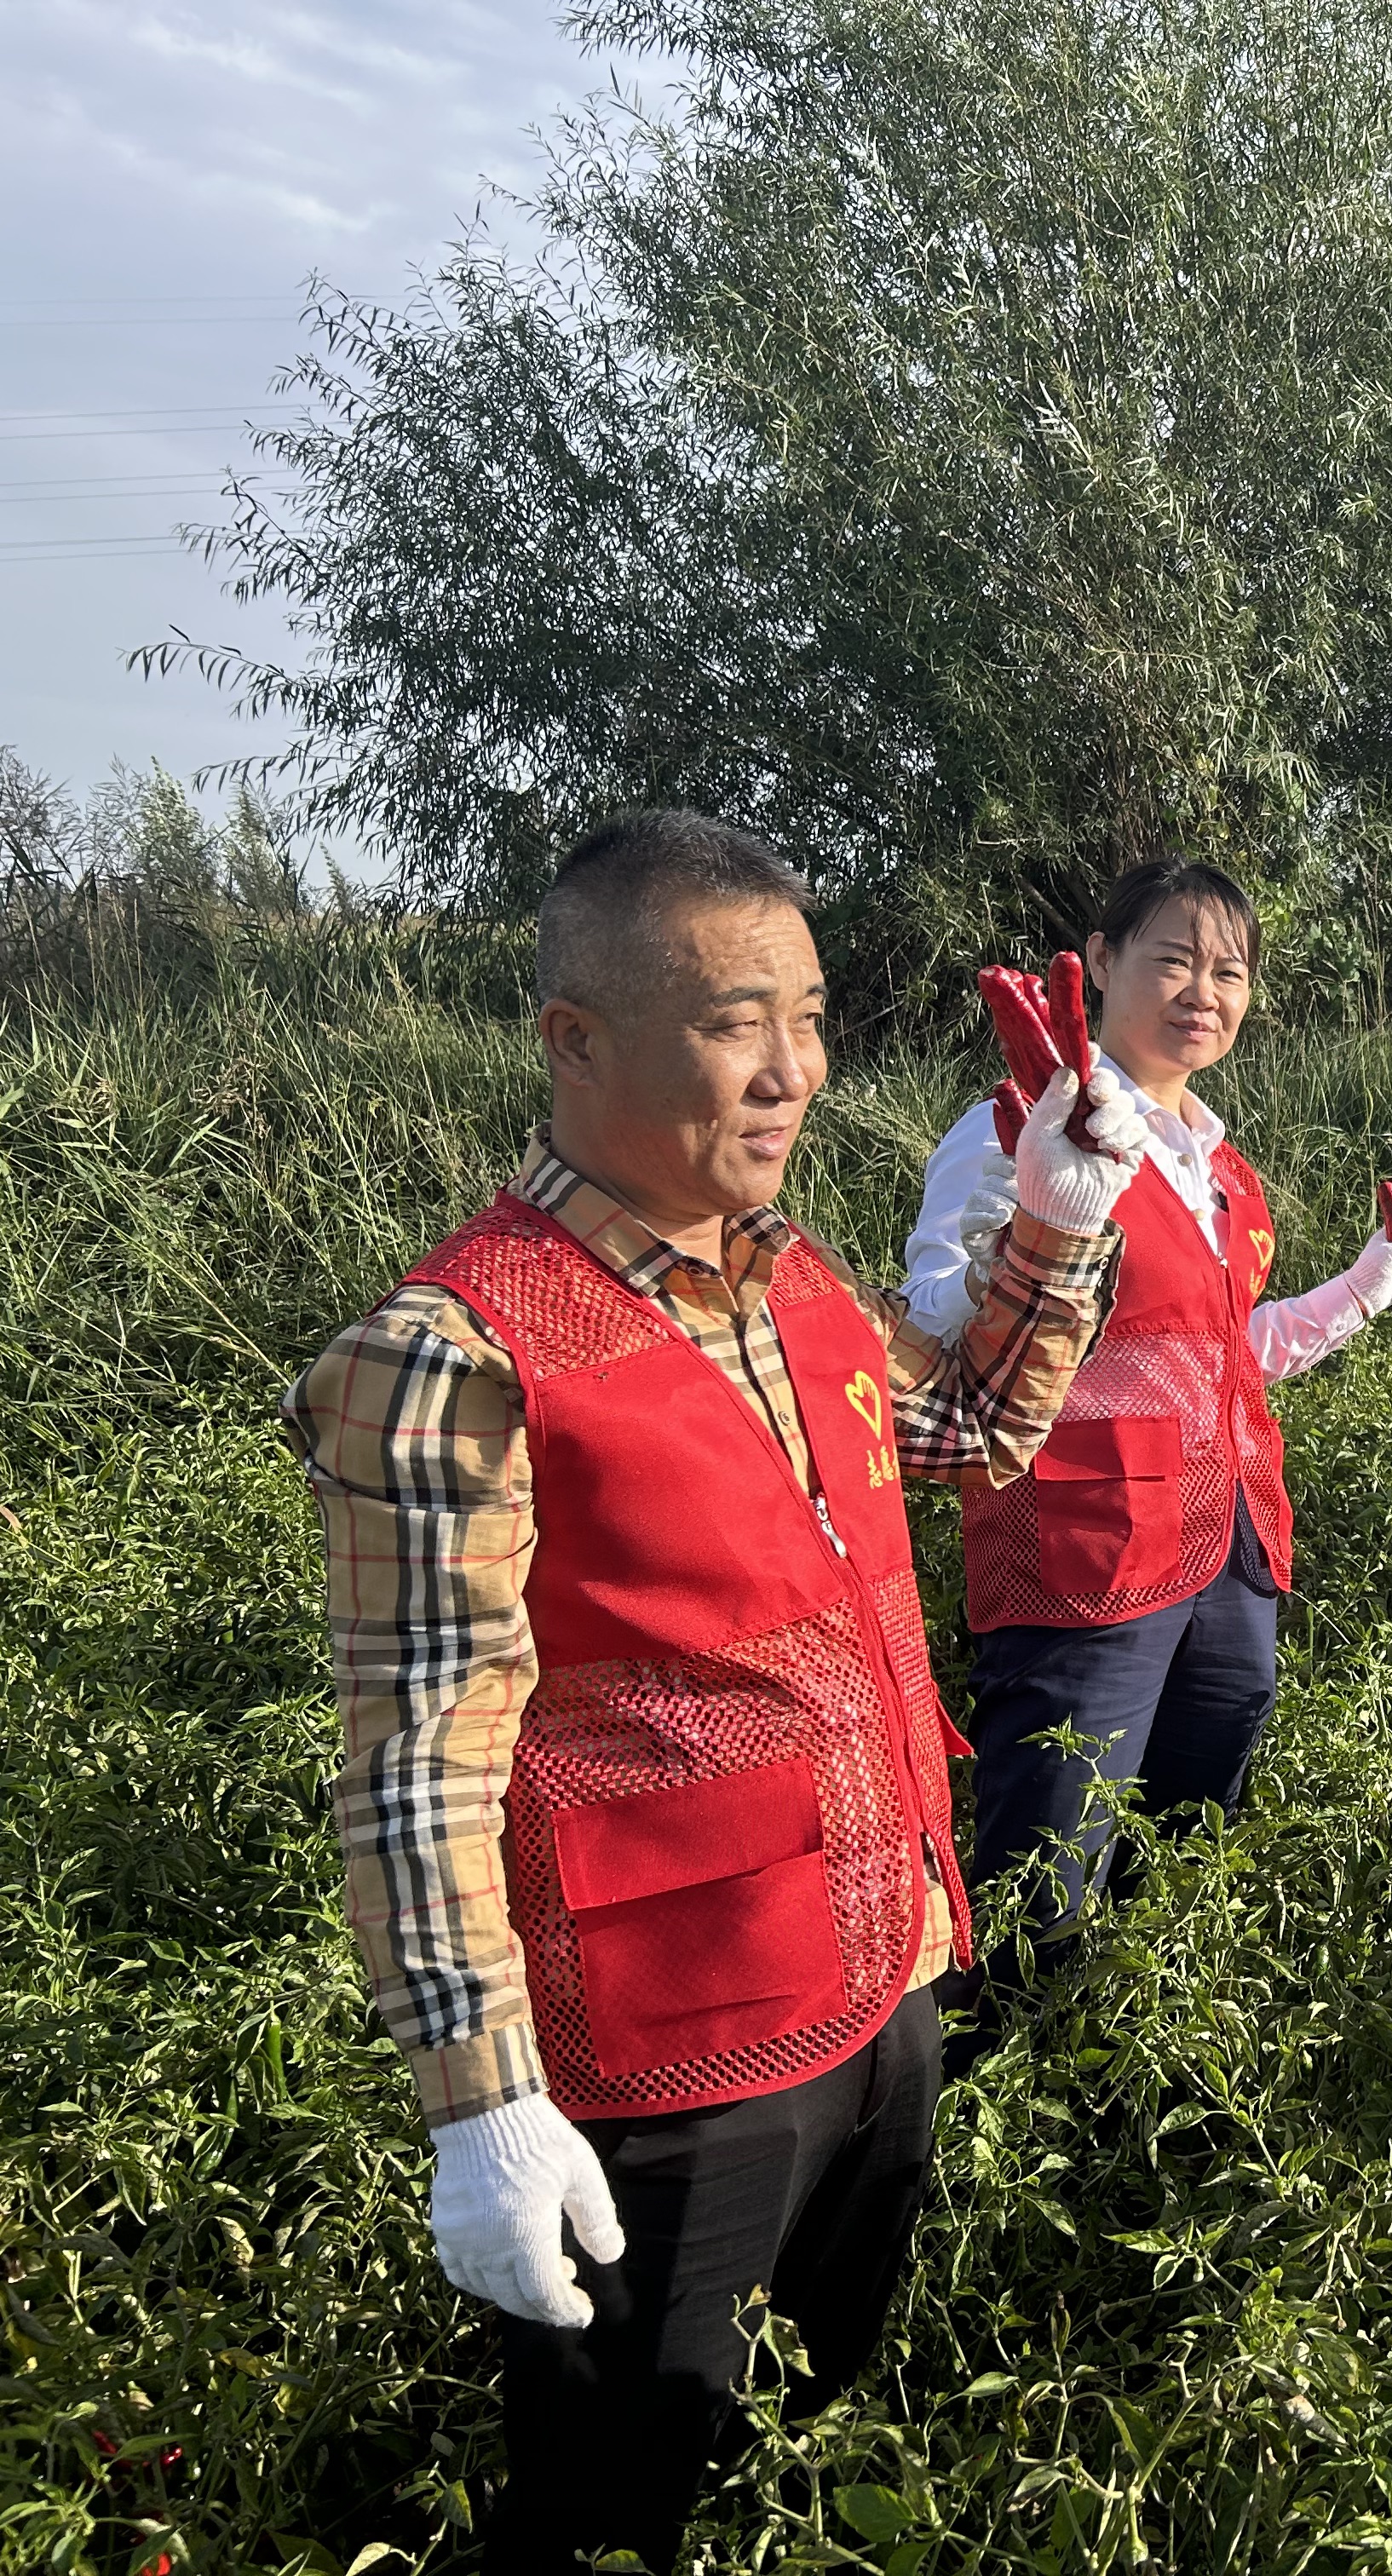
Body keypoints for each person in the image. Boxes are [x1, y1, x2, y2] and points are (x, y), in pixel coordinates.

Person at [283, 812, 1146, 2573]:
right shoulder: (452, 1356)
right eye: (734, 1023)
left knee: (806, 2430)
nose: (794, 1071)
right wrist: (479, 2102)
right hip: (669, 2063)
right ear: (575, 1040)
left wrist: (1057, 1218)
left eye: (811, 1017)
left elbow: (971, 1432)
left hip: (884, 1975)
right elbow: (419, 1765)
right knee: (618, 2503)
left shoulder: (794, 1280)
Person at [906, 858, 1392, 1972]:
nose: (1204, 989)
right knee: (1046, 1874)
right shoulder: (1019, 1123)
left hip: (1227, 1544)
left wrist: (1367, 1282)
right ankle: (1009, 2071)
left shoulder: (1222, 1169)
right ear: (1101, 963)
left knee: (1194, 1835)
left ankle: (1141, 2072)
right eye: (1174, 959)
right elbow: (930, 1329)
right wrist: (1036, 1232)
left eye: (1230, 970)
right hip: (1084, 1550)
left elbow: (1221, 1356)